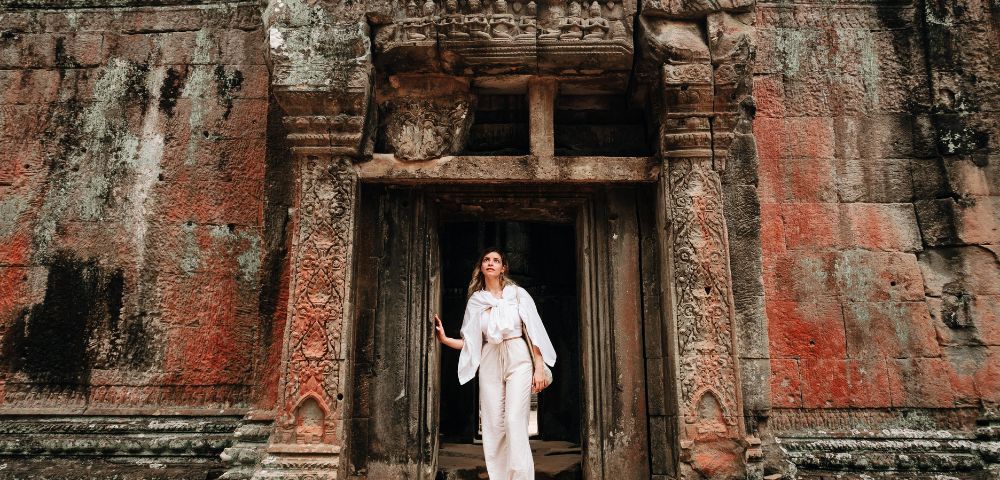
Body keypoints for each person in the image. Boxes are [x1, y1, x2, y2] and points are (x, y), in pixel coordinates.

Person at [434, 247, 556, 479]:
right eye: (486, 260)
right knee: (493, 425)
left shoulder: (518, 294)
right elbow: (471, 343)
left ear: (503, 268)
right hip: (490, 358)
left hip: (518, 355)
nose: (491, 263)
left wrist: (539, 367)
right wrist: (444, 339)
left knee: (513, 421)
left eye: (496, 260)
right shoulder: (477, 301)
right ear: (481, 267)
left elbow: (535, 333)